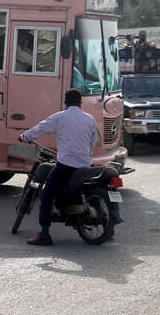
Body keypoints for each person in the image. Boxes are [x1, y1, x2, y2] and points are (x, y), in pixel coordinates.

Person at [18, 88, 99, 246]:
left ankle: (44, 234)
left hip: (66, 165)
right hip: (86, 165)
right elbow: (92, 141)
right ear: (81, 103)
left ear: (65, 103)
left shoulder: (60, 117)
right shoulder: (89, 119)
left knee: (47, 195)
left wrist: (24, 136)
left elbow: (40, 128)